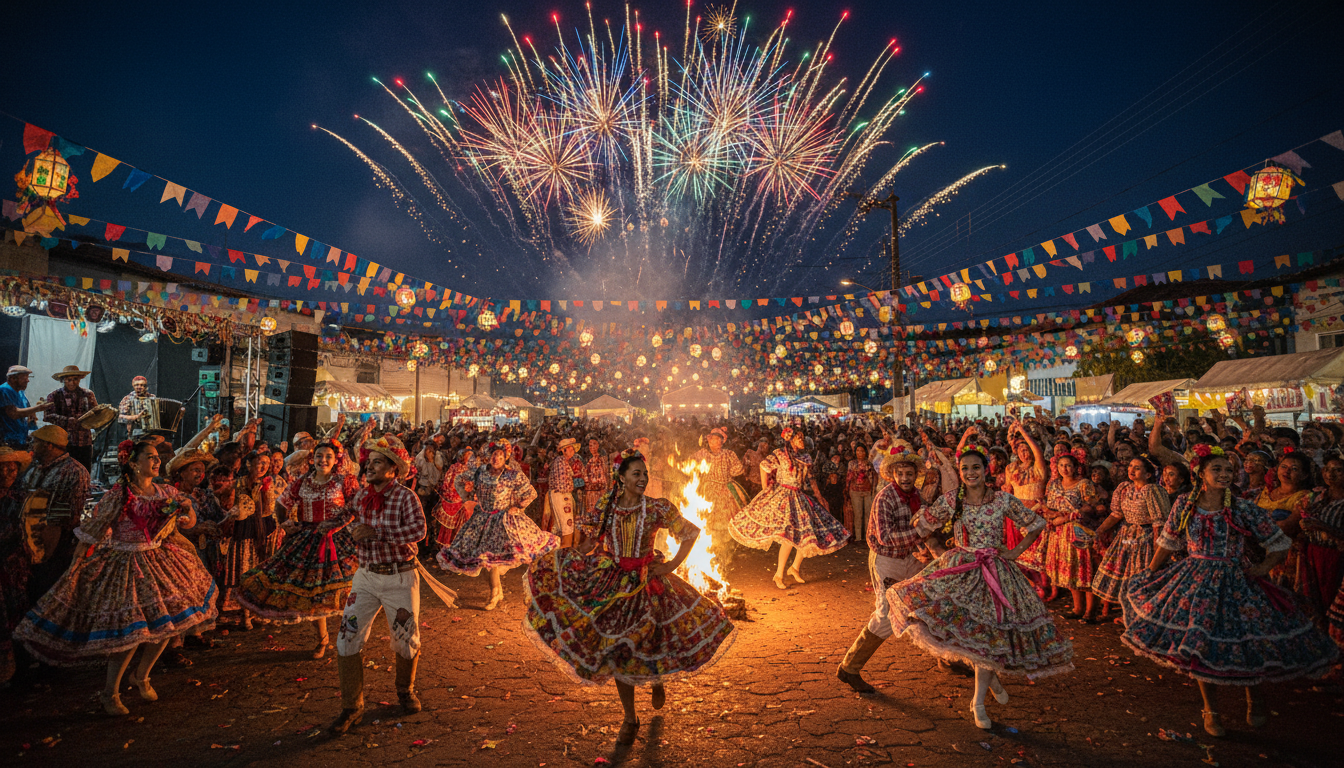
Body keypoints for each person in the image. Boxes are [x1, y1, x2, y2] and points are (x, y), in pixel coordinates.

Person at [1121, 446, 1339, 737]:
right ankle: (1210, 709)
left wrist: (1262, 569)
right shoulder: (1185, 503)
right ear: (1201, 473)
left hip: (1236, 581)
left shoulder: (1242, 507)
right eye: (1217, 469)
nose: (1224, 474)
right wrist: (1149, 572)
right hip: (1195, 581)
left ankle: (1254, 697)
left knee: (1243, 642)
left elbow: (1278, 542)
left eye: (1228, 470)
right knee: (1199, 642)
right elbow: (1168, 540)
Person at [523, 449, 736, 746]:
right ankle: (629, 718)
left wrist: (672, 565)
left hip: (649, 581)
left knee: (653, 640)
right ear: (621, 478)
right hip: (614, 581)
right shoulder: (605, 507)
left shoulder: (657, 507)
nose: (643, 479)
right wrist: (566, 558)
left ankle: (658, 680)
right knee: (620, 649)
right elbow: (587, 542)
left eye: (645, 475)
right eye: (636, 474)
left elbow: (689, 532)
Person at [13, 438, 217, 715]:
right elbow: (94, 529)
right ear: (133, 463)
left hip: (159, 560)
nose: (157, 461)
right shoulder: (120, 494)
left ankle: (142, 675)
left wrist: (186, 509)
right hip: (125, 565)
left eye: (157, 457)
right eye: (150, 457)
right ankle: (110, 692)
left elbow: (187, 523)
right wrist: (76, 567)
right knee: (129, 635)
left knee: (168, 627)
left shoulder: (165, 491)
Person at [886, 445, 1074, 730]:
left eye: (975, 467)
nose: (970, 473)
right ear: (960, 474)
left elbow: (1035, 523)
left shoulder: (1001, 500)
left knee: (990, 636)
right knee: (972, 633)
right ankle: (990, 682)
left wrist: (1015, 552)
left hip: (996, 571)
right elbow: (923, 525)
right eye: (965, 469)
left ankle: (978, 702)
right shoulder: (953, 500)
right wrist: (931, 540)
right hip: (962, 567)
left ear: (986, 470)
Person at [322, 435, 437, 735]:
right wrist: (324, 524)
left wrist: (376, 533)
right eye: (368, 462)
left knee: (405, 640)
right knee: (347, 639)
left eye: (377, 462)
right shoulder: (360, 495)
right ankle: (351, 706)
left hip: (400, 577)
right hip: (366, 577)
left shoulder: (406, 497)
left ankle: (405, 690)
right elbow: (346, 513)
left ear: (393, 469)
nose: (369, 467)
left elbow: (419, 531)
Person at [238, 439, 361, 659]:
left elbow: (356, 506)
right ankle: (322, 639)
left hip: (339, 540)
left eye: (328, 456)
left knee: (353, 590)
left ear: (336, 460)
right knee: (313, 593)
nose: (323, 460)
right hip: (307, 539)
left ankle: (351, 636)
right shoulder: (302, 482)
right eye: (319, 456)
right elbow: (282, 503)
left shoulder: (344, 481)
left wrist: (337, 524)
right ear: (312, 459)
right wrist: (286, 523)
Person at [836, 448, 928, 693]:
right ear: (893, 475)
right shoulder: (884, 498)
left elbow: (923, 526)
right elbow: (885, 538)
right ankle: (850, 667)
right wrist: (920, 533)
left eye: (910, 473)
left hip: (910, 558)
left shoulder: (918, 496)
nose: (906, 478)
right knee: (885, 615)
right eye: (901, 473)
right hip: (887, 561)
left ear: (916, 475)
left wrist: (924, 546)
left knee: (931, 602)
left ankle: (947, 658)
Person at [438, 439, 558, 610]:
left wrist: (517, 507)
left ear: (505, 458)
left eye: (500, 456)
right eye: (494, 455)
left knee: (491, 558)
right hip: (482, 519)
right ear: (489, 456)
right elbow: (458, 480)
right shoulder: (480, 472)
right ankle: (497, 591)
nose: (496, 458)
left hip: (503, 521)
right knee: (484, 560)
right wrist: (466, 498)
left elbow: (530, 493)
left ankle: (494, 594)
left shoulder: (512, 474)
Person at [729, 426, 849, 590]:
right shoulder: (779, 454)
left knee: (808, 536)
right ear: (790, 439)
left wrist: (819, 497)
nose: (802, 441)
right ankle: (779, 574)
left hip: (799, 497)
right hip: (784, 496)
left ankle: (794, 568)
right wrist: (766, 489)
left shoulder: (805, 457)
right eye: (798, 438)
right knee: (788, 537)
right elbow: (764, 466)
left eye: (802, 438)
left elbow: (811, 479)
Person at [1090, 456, 1168, 624]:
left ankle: (1140, 619)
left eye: (1137, 468)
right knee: (1122, 574)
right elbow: (1116, 514)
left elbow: (1158, 523)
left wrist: (1157, 550)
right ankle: (1127, 615)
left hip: (1145, 538)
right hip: (1126, 536)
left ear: (1148, 474)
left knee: (1140, 576)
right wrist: (1099, 531)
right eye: (1131, 466)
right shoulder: (1125, 488)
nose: (1131, 470)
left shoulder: (1152, 491)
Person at [21, 425, 91, 601]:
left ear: (49, 445)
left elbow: (67, 517)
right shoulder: (35, 469)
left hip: (57, 547)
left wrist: (46, 550)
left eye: (36, 442)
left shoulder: (74, 471)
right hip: (31, 543)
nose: (31, 446)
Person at [217, 450, 277, 630]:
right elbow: (228, 506)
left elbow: (269, 510)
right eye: (260, 462)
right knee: (241, 572)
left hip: (259, 532)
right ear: (249, 464)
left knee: (256, 574)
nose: (263, 467)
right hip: (242, 533)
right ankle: (243, 614)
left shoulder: (267, 483)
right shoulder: (238, 483)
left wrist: (264, 493)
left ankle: (253, 611)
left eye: (267, 463)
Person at [1042, 453, 1102, 622]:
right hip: (1059, 532)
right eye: (1061, 465)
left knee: (1085, 571)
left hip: (1078, 532)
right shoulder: (1054, 484)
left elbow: (1092, 507)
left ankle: (1090, 611)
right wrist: (1053, 518)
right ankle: (1077, 608)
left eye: (1068, 465)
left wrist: (1071, 516)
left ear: (1076, 467)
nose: (1065, 469)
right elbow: (1048, 506)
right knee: (1070, 570)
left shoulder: (1084, 484)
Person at [688, 427, 747, 568]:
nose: (715, 442)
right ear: (708, 441)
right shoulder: (702, 454)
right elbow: (690, 464)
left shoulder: (729, 454)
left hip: (726, 492)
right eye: (712, 440)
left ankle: (726, 554)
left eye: (718, 440)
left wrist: (733, 472)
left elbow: (738, 470)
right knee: (708, 524)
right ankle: (711, 552)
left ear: (722, 441)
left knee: (727, 524)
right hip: (708, 492)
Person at [0, 447, 33, 683]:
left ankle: (20, 666)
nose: (5, 471)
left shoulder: (22, 497)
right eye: (1, 467)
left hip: (16, 563)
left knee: (18, 609)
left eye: (10, 466)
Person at [41, 365, 99, 470]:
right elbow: (47, 416)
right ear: (63, 380)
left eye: (75, 379)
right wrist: (66, 420)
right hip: (62, 441)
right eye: (69, 380)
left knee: (84, 470)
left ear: (79, 379)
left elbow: (96, 413)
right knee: (63, 471)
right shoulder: (54, 396)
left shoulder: (88, 394)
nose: (72, 382)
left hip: (84, 440)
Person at [434, 447, 476, 548]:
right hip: (457, 500)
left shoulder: (454, 467)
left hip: (450, 498)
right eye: (469, 457)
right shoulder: (464, 469)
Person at [546, 437, 583, 548]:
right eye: (570, 448)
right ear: (564, 450)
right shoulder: (561, 462)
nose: (573, 451)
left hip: (560, 495)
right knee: (567, 527)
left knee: (561, 526)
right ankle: (565, 551)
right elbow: (562, 485)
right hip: (562, 496)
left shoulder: (563, 462)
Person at [0, 365, 47, 449]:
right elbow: (14, 413)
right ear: (13, 378)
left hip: (20, 439)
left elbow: (27, 411)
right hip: (7, 441)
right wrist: (38, 408)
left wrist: (32, 414)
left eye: (28, 377)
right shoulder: (5, 390)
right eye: (24, 377)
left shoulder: (20, 392)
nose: (27, 380)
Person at [847, 444, 876, 546]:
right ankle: (859, 538)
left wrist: (873, 490)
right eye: (858, 451)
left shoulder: (869, 463)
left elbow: (873, 478)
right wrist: (847, 491)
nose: (860, 453)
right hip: (855, 491)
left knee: (868, 515)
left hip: (867, 490)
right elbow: (849, 478)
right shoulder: (852, 463)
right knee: (858, 515)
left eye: (862, 451)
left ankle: (868, 537)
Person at [583, 437, 609, 515]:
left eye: (594, 444)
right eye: (590, 445)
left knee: (600, 511)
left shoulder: (602, 459)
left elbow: (606, 474)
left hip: (600, 490)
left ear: (598, 445)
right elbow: (586, 474)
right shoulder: (590, 461)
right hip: (591, 491)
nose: (592, 447)